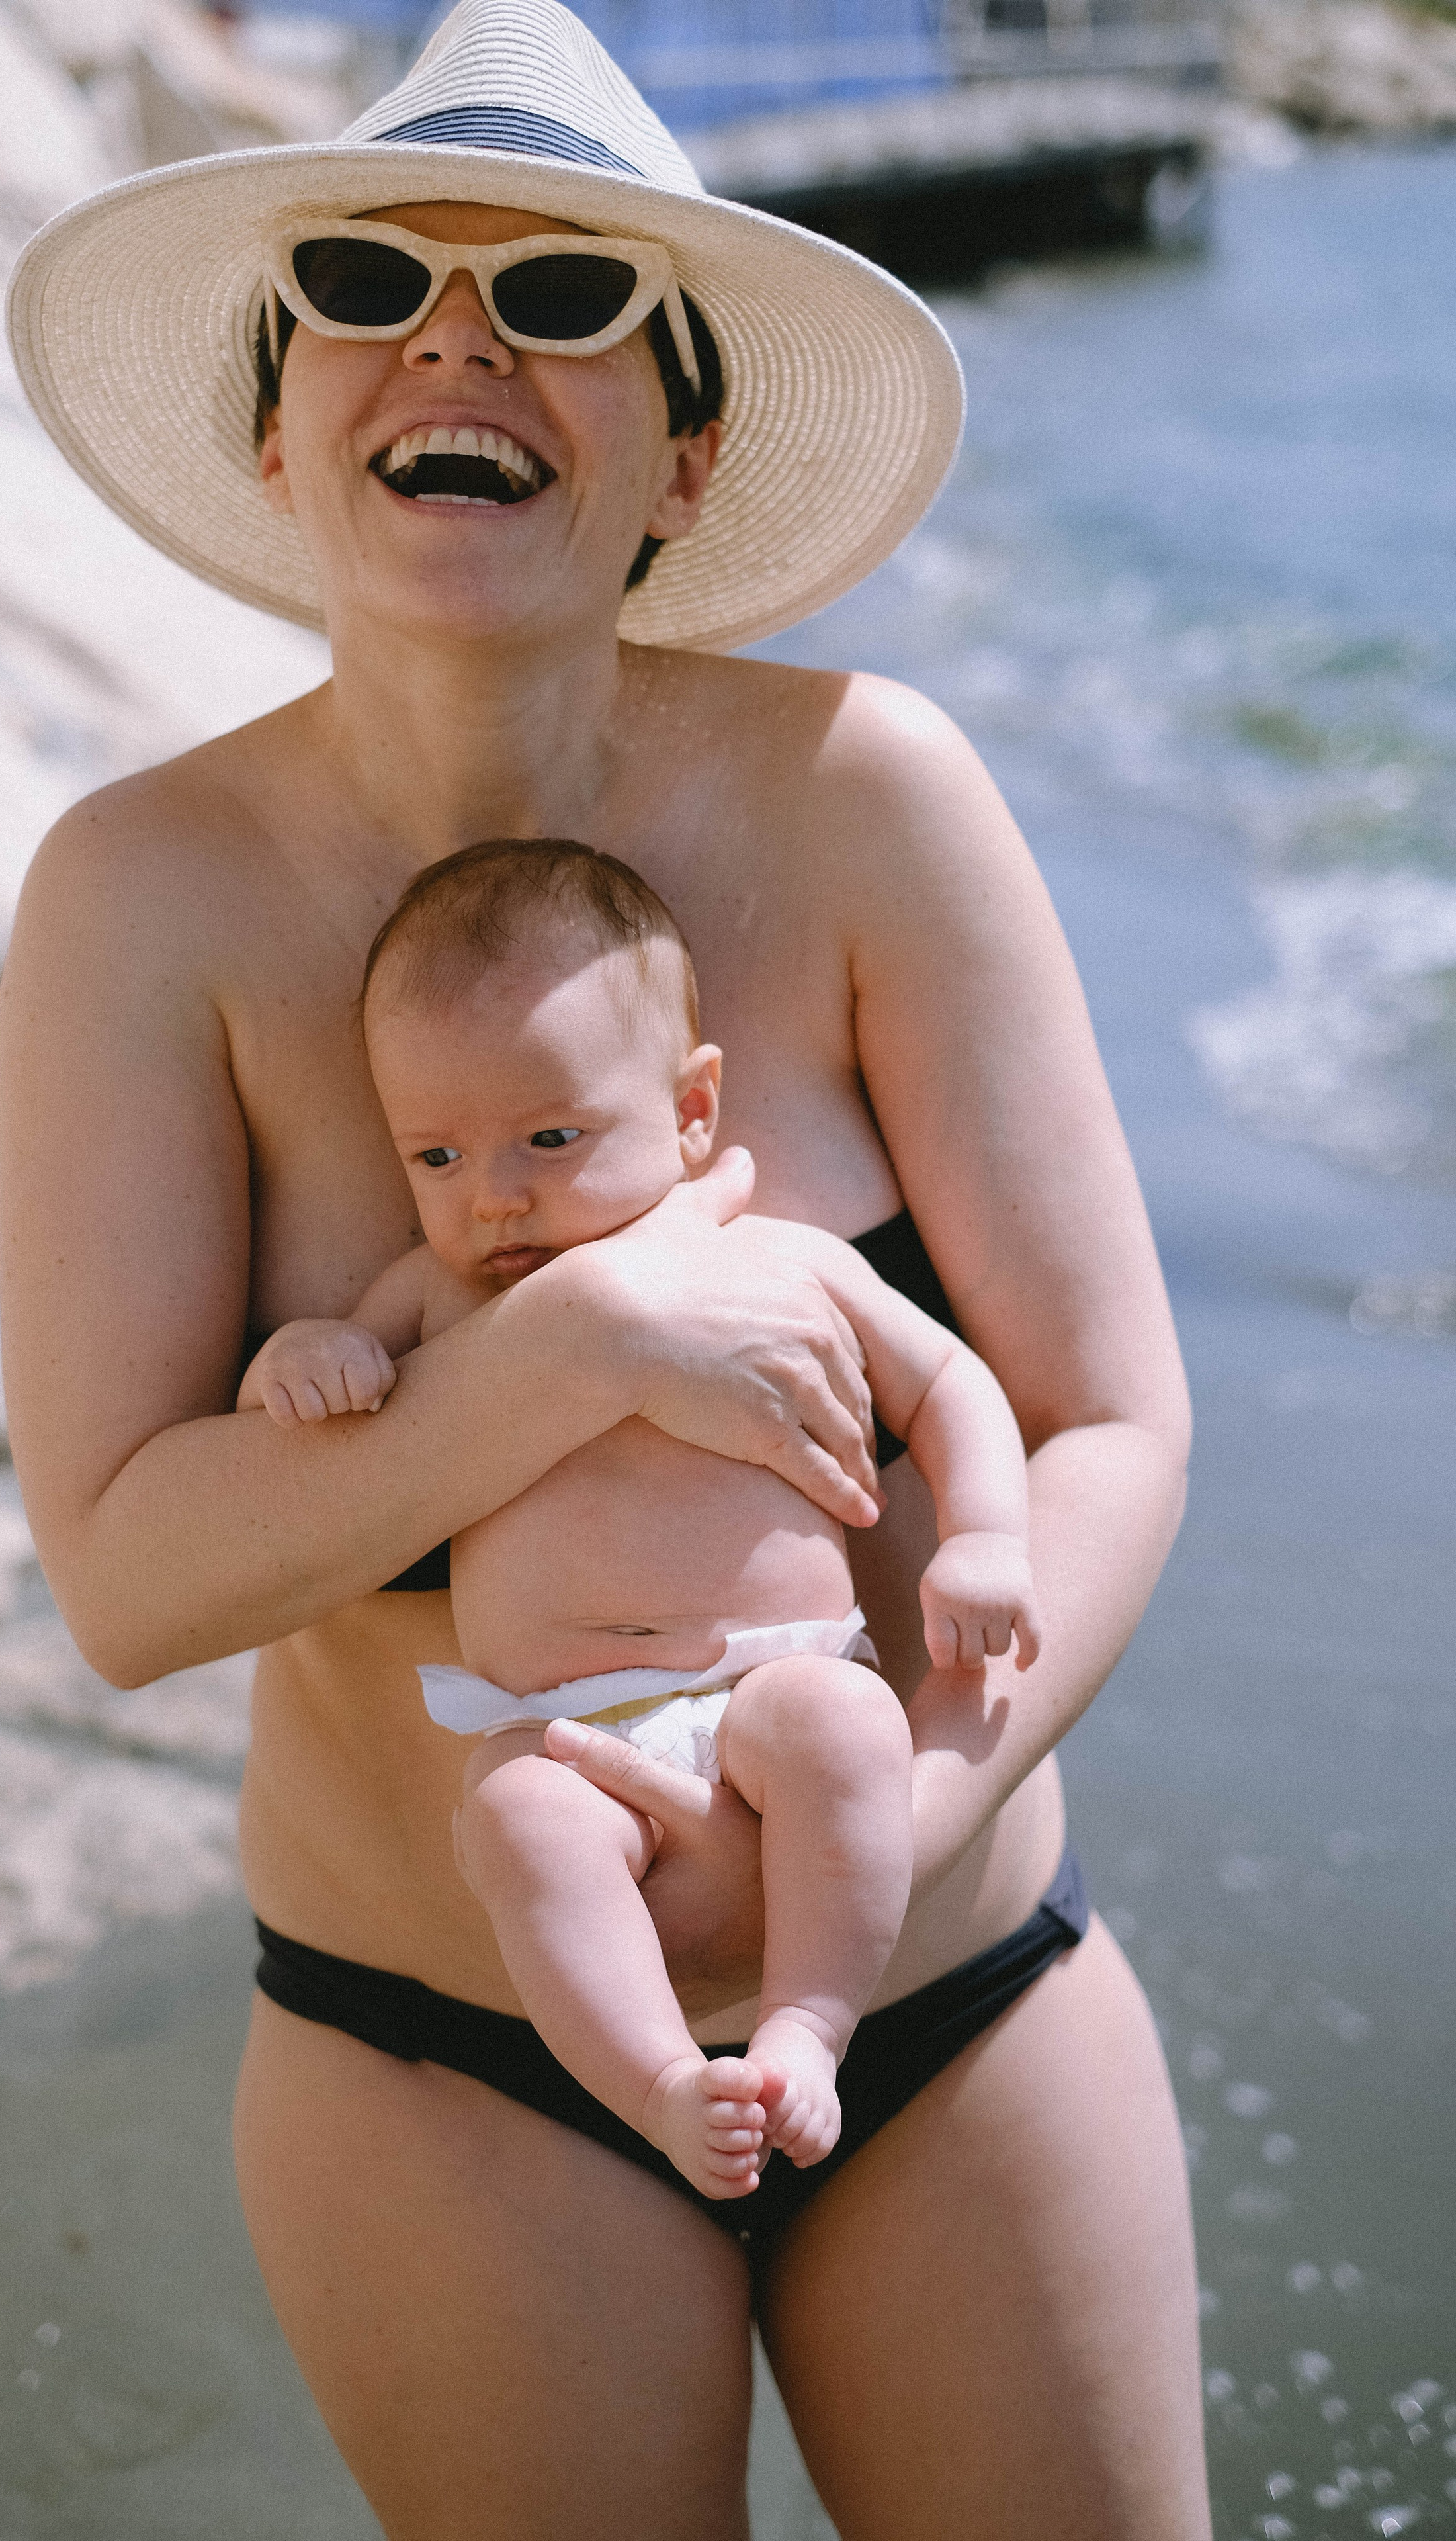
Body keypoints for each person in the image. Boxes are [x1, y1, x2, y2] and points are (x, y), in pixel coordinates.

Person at [0, 1, 1208, 2530]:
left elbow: (1109, 1418)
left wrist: (878, 1823)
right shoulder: (144, 901)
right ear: (274, 427)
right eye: (366, 279)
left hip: (952, 1997)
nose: (460, 338)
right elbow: (124, 1575)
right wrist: (579, 1346)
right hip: (451, 2056)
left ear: (685, 446)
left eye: (562, 300)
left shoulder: (876, 794)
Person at [238, 835, 1041, 2198]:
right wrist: (304, 1364)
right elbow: (305, 1396)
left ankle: (807, 2022)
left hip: (770, 1675)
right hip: (552, 1723)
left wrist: (982, 1539)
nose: (495, 1192)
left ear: (689, 1111)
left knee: (848, 1729)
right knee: (520, 1833)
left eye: (550, 1139)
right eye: (435, 1154)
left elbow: (951, 1380)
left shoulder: (777, 1260)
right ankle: (665, 2081)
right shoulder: (432, 1302)